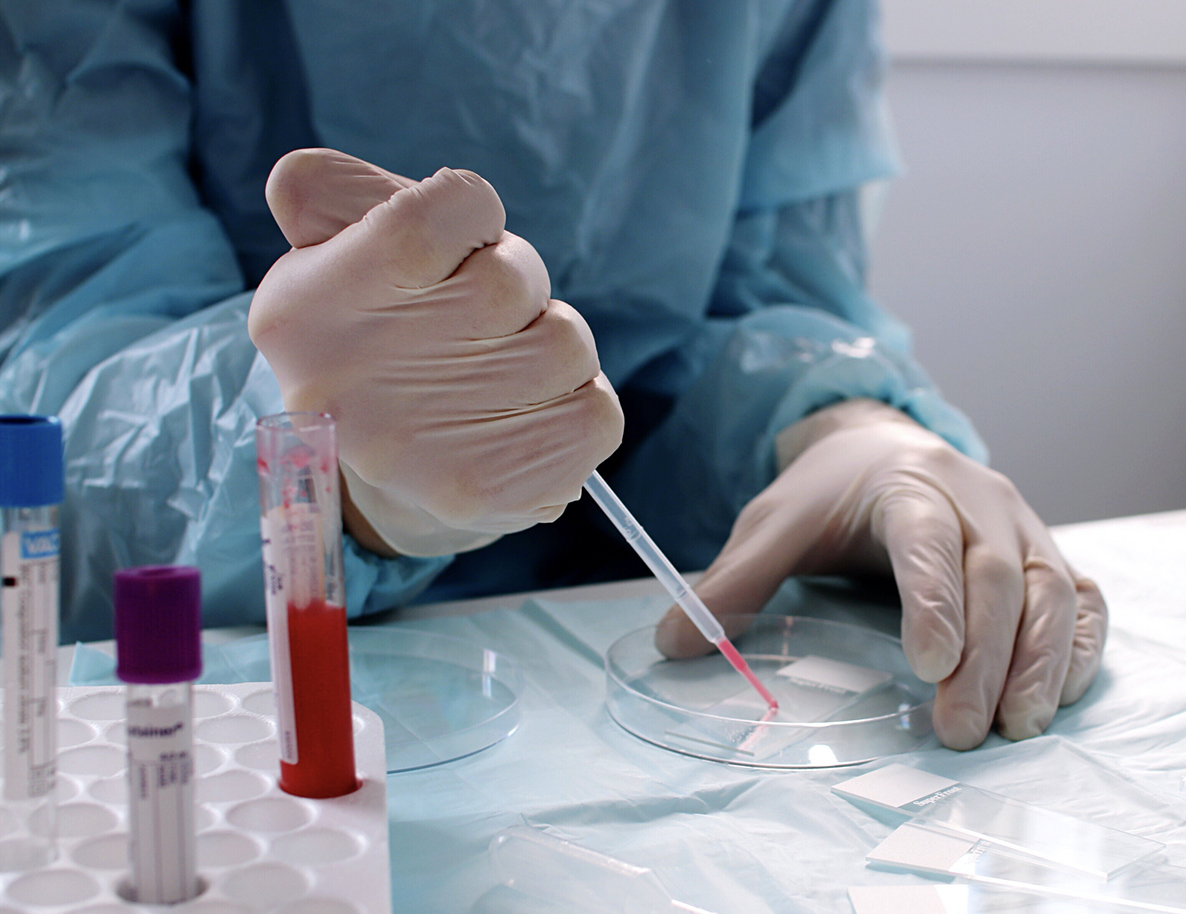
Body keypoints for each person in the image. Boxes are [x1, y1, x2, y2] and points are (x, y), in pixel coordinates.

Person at [0, 0, 1105, 749]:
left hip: (593, 663)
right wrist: (315, 472)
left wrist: (842, 428)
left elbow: (761, 289)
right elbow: (55, 339)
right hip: (229, 713)